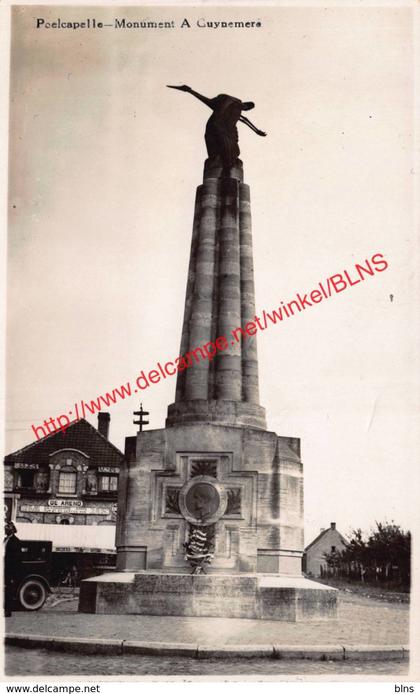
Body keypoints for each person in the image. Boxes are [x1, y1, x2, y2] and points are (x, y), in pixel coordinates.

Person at [167, 85, 266, 167]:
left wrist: (256, 130)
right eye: (247, 108)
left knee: (230, 153)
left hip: (222, 128)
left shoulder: (234, 110)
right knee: (226, 153)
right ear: (246, 105)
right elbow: (229, 100)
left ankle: (224, 163)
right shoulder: (237, 102)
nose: (245, 110)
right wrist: (221, 110)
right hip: (220, 127)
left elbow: (244, 119)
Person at [4, 521, 22, 617]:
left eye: (8, 527)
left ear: (12, 529)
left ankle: (8, 610)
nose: (6, 528)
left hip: (9, 570)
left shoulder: (16, 542)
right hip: (3, 567)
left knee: (8, 590)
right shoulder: (4, 539)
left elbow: (16, 559)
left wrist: (13, 574)